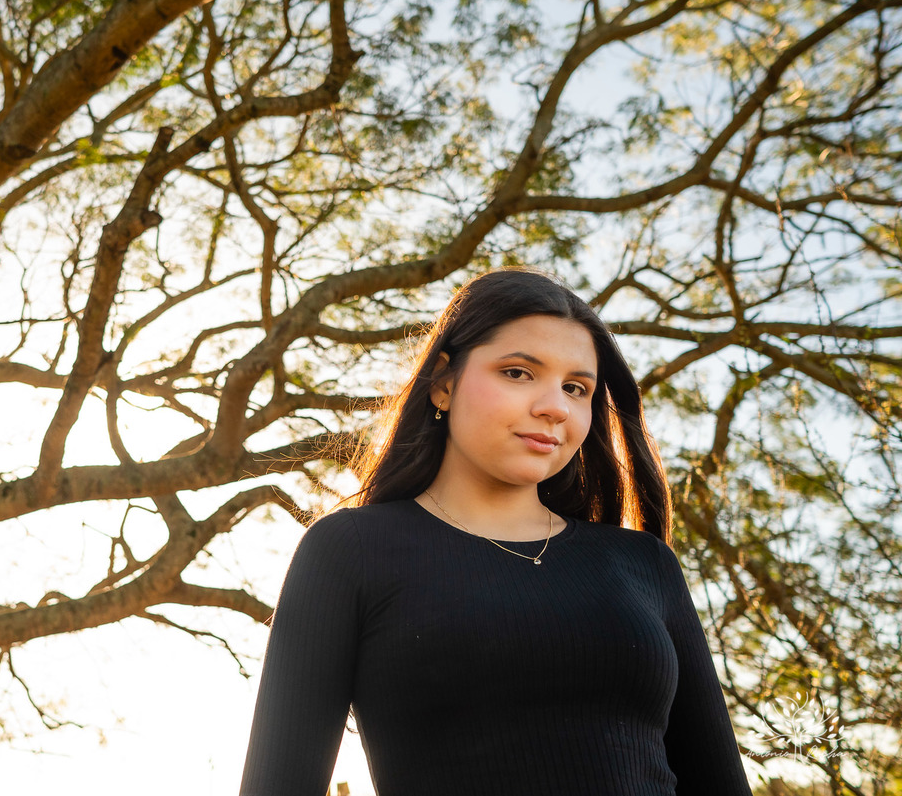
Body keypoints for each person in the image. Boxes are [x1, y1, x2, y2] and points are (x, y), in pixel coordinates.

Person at [238, 268, 753, 796]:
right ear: (444, 383)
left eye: (575, 388)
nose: (555, 407)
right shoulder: (351, 549)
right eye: (518, 373)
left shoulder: (644, 563)